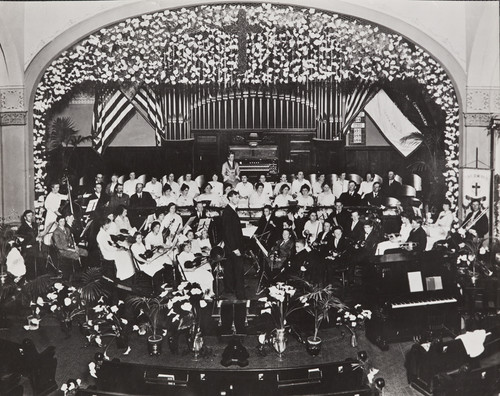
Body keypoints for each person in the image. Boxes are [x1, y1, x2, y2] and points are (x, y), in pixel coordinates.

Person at [221, 190, 246, 299]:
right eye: (236, 197)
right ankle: (240, 294)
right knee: (237, 271)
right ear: (230, 198)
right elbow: (227, 232)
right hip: (233, 247)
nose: (238, 199)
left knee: (230, 270)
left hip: (231, 247)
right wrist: (235, 248)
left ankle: (230, 290)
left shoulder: (231, 211)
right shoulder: (228, 211)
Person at [17, 210, 40, 279]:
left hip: (36, 247)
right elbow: (23, 241)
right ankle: (31, 279)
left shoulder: (35, 225)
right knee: (31, 265)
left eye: (31, 215)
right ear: (25, 217)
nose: (31, 217)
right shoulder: (22, 228)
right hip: (27, 250)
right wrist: (35, 240)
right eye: (28, 216)